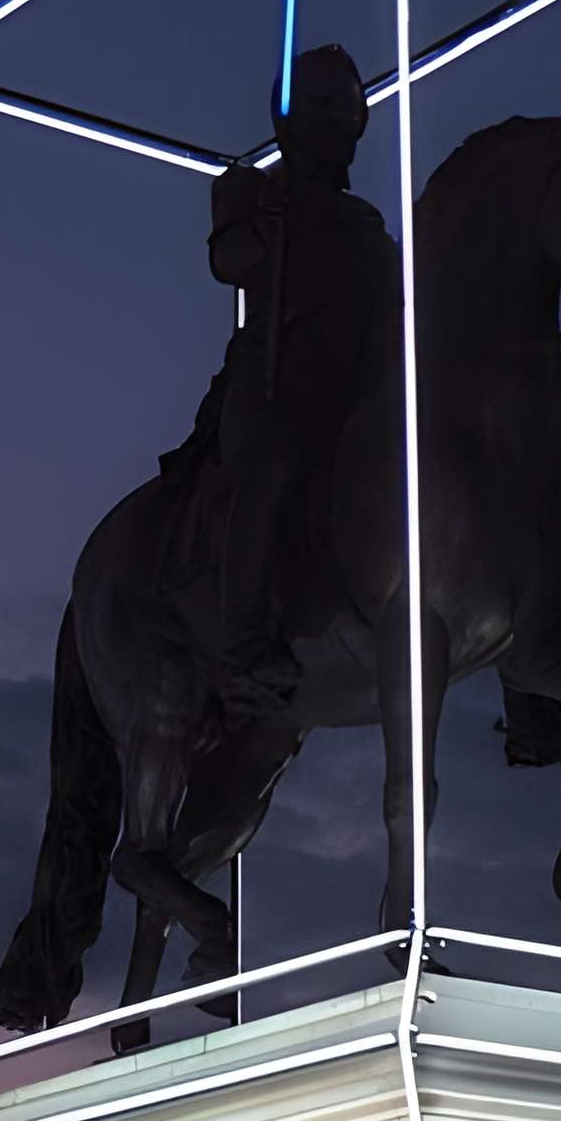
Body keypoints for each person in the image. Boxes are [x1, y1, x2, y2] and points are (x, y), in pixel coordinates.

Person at [206, 44, 400, 722]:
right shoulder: (250, 189)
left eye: (349, 120)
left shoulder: (365, 223)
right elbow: (229, 260)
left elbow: (393, 301)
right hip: (274, 383)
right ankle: (242, 645)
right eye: (331, 117)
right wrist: (271, 224)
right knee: (274, 470)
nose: (343, 134)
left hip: (352, 390)